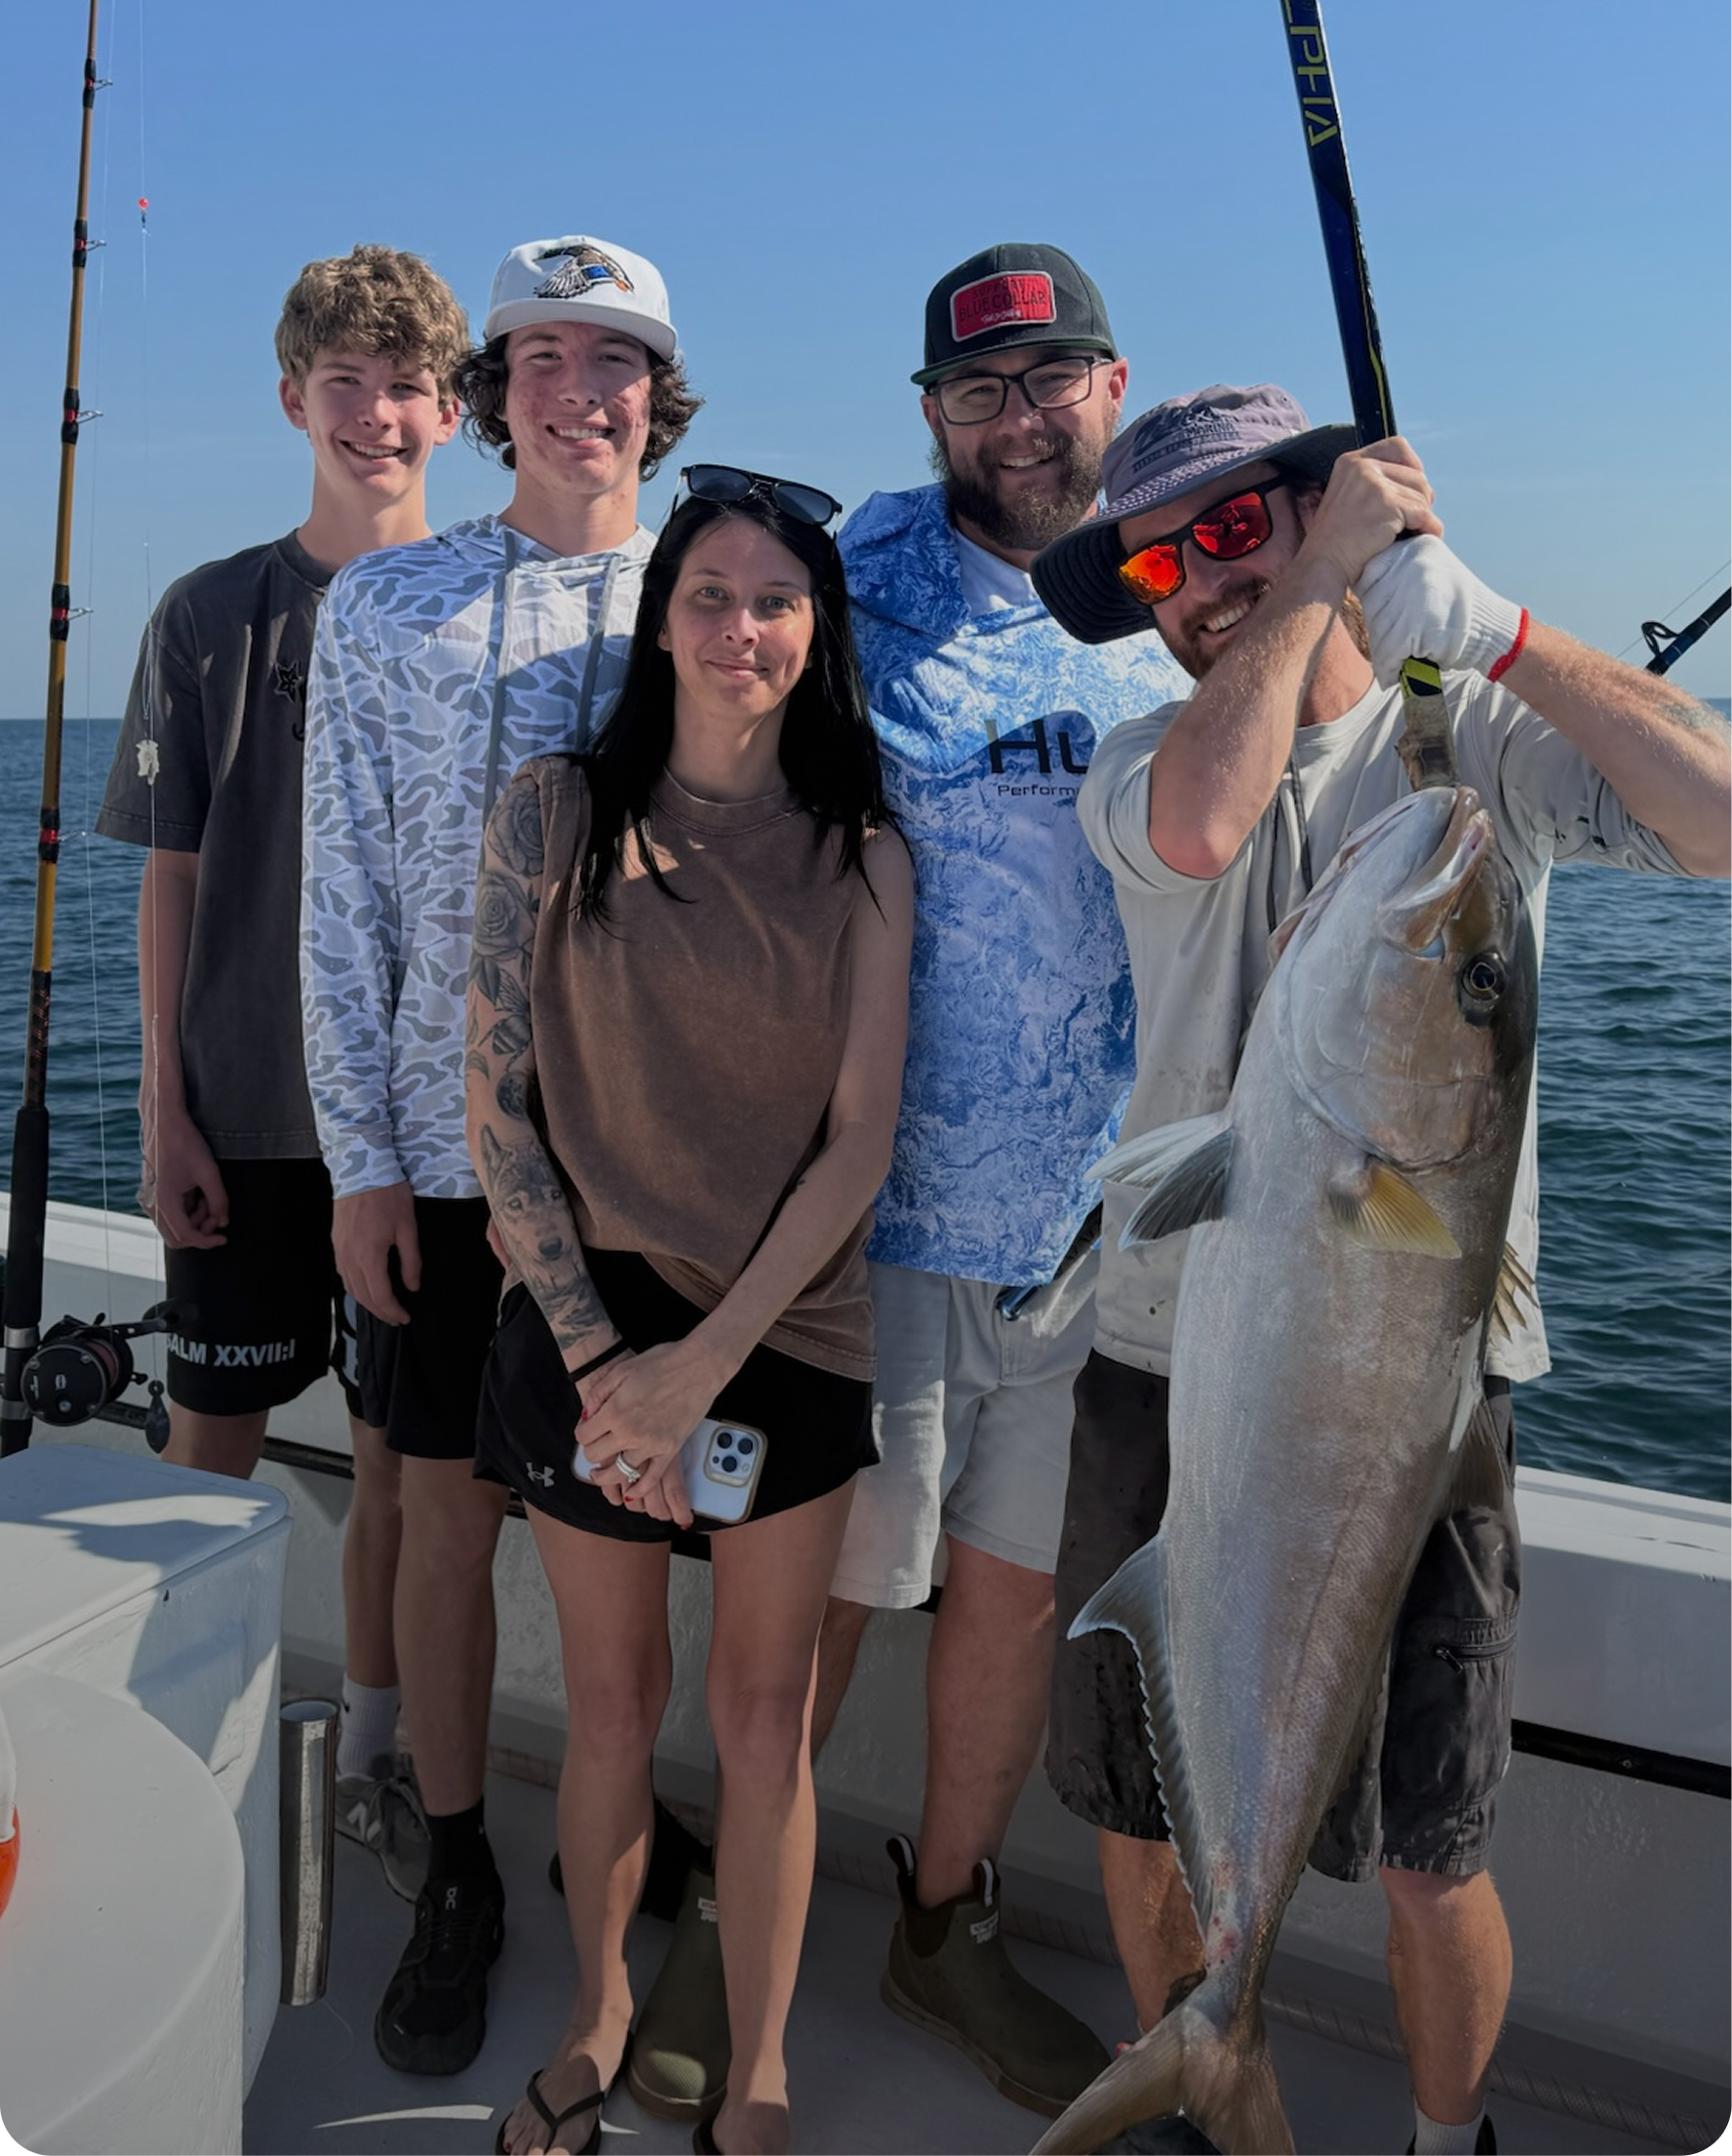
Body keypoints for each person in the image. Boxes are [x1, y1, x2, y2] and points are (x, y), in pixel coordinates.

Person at [1031, 382, 1732, 2156]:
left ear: (1331, 510)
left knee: (1435, 1850)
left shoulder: (1471, 759)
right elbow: (1206, 828)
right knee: (1144, 1815)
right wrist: (1310, 581)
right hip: (1162, 1359)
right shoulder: (1146, 759)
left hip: (1415, 1388)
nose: (1201, 578)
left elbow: (1722, 820)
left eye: (1242, 526)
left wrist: (1493, 629)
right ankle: (1208, 2064)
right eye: (1162, 555)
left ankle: (1446, 2145)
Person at [467, 466, 913, 2156]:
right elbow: (496, 1113)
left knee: (759, 1722)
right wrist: (603, 1369)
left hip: (781, 1337)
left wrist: (698, 1373)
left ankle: (765, 2061)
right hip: (584, 1335)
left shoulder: (868, 854)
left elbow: (860, 1140)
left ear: (819, 630)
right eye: (711, 595)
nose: (743, 628)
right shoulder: (553, 814)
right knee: (606, 1705)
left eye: (778, 601)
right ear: (661, 618)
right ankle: (595, 2015)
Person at [299, 233, 701, 2077]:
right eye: (543, 355)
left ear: (658, 396)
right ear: (496, 396)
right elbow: (344, 902)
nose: (579, 390)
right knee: (448, 1517)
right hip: (446, 1170)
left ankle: (628, 1830)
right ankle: (457, 1863)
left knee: (630, 1531)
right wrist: (361, 1163)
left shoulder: (727, 595)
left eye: (614, 357)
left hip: (654, 1175)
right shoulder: (385, 614)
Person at [797, 243, 1191, 2122]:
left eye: (1056, 379)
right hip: (877, 1219)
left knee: (1014, 1606)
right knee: (834, 1597)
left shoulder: (1185, 580)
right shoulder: (853, 584)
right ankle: (747, 1923)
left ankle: (940, 1926)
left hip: (1098, 1228)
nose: (1023, 418)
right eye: (982, 390)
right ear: (930, 416)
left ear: (1114, 387)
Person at [96, 243, 468, 1905]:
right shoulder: (205, 616)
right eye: (346, 377)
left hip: (422, 1134)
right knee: (213, 1438)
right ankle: (172, 1759)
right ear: (290, 396)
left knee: (402, 1462)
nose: (375, 411)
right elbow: (171, 874)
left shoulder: (485, 608)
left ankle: (376, 1756)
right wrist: (169, 1109)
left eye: (406, 383)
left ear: (452, 412)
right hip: (243, 1118)